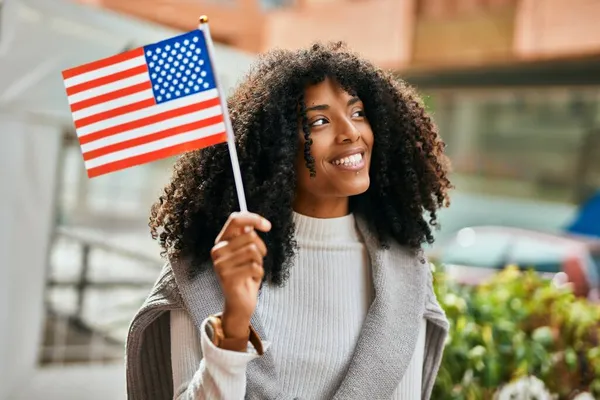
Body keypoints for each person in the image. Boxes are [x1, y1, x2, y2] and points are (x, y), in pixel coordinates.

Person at [126, 41, 452, 400]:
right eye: (319, 121)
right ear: (276, 146)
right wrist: (234, 323)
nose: (351, 132)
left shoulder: (405, 273)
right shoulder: (206, 267)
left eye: (358, 112)